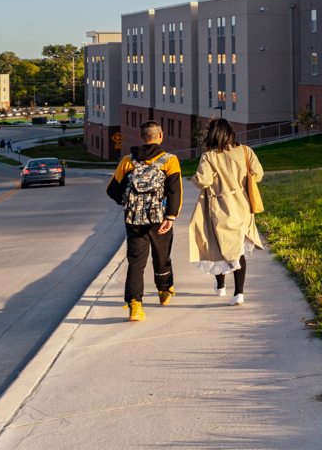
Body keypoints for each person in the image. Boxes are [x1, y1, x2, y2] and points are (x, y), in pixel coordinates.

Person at [106, 121, 182, 322]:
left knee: (136, 263)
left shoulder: (127, 161)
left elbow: (112, 190)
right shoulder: (170, 161)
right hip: (159, 220)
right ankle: (164, 292)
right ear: (161, 136)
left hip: (134, 222)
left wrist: (130, 202)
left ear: (140, 137)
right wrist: (170, 217)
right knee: (162, 256)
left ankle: (134, 307)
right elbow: (175, 191)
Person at [189, 119, 263, 306]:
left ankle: (221, 286)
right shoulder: (246, 151)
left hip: (220, 205)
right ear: (230, 133)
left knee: (220, 244)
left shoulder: (209, 157)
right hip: (243, 204)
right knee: (237, 248)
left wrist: (195, 178)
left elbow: (202, 181)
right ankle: (239, 293)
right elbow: (258, 174)